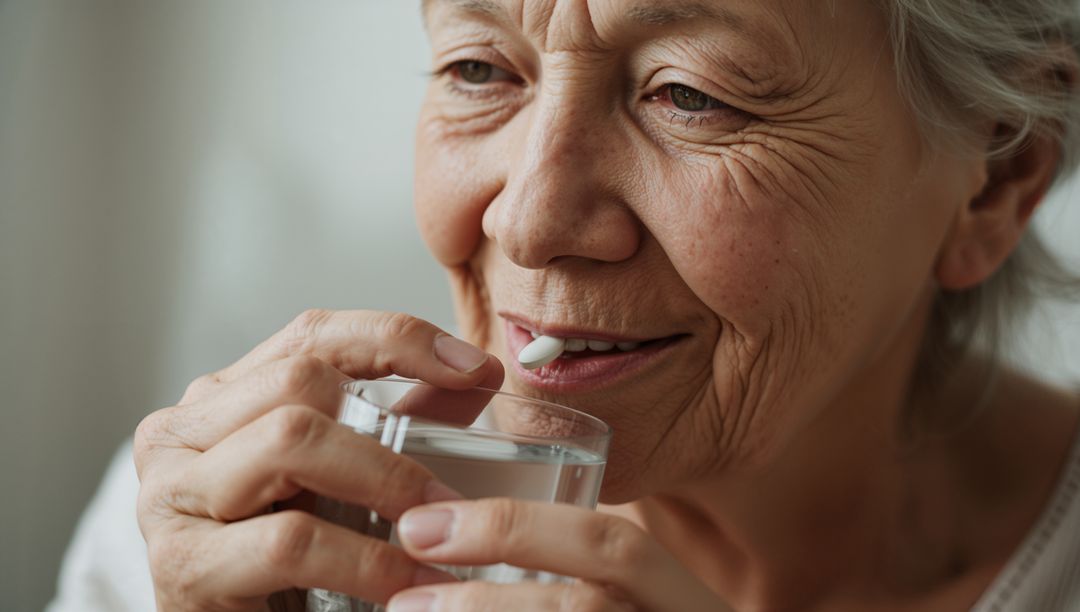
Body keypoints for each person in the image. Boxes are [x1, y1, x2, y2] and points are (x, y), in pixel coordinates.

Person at [60, 0, 1080, 610]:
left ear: (995, 178)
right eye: (477, 68)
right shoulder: (241, 513)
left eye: (692, 94)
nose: (531, 220)